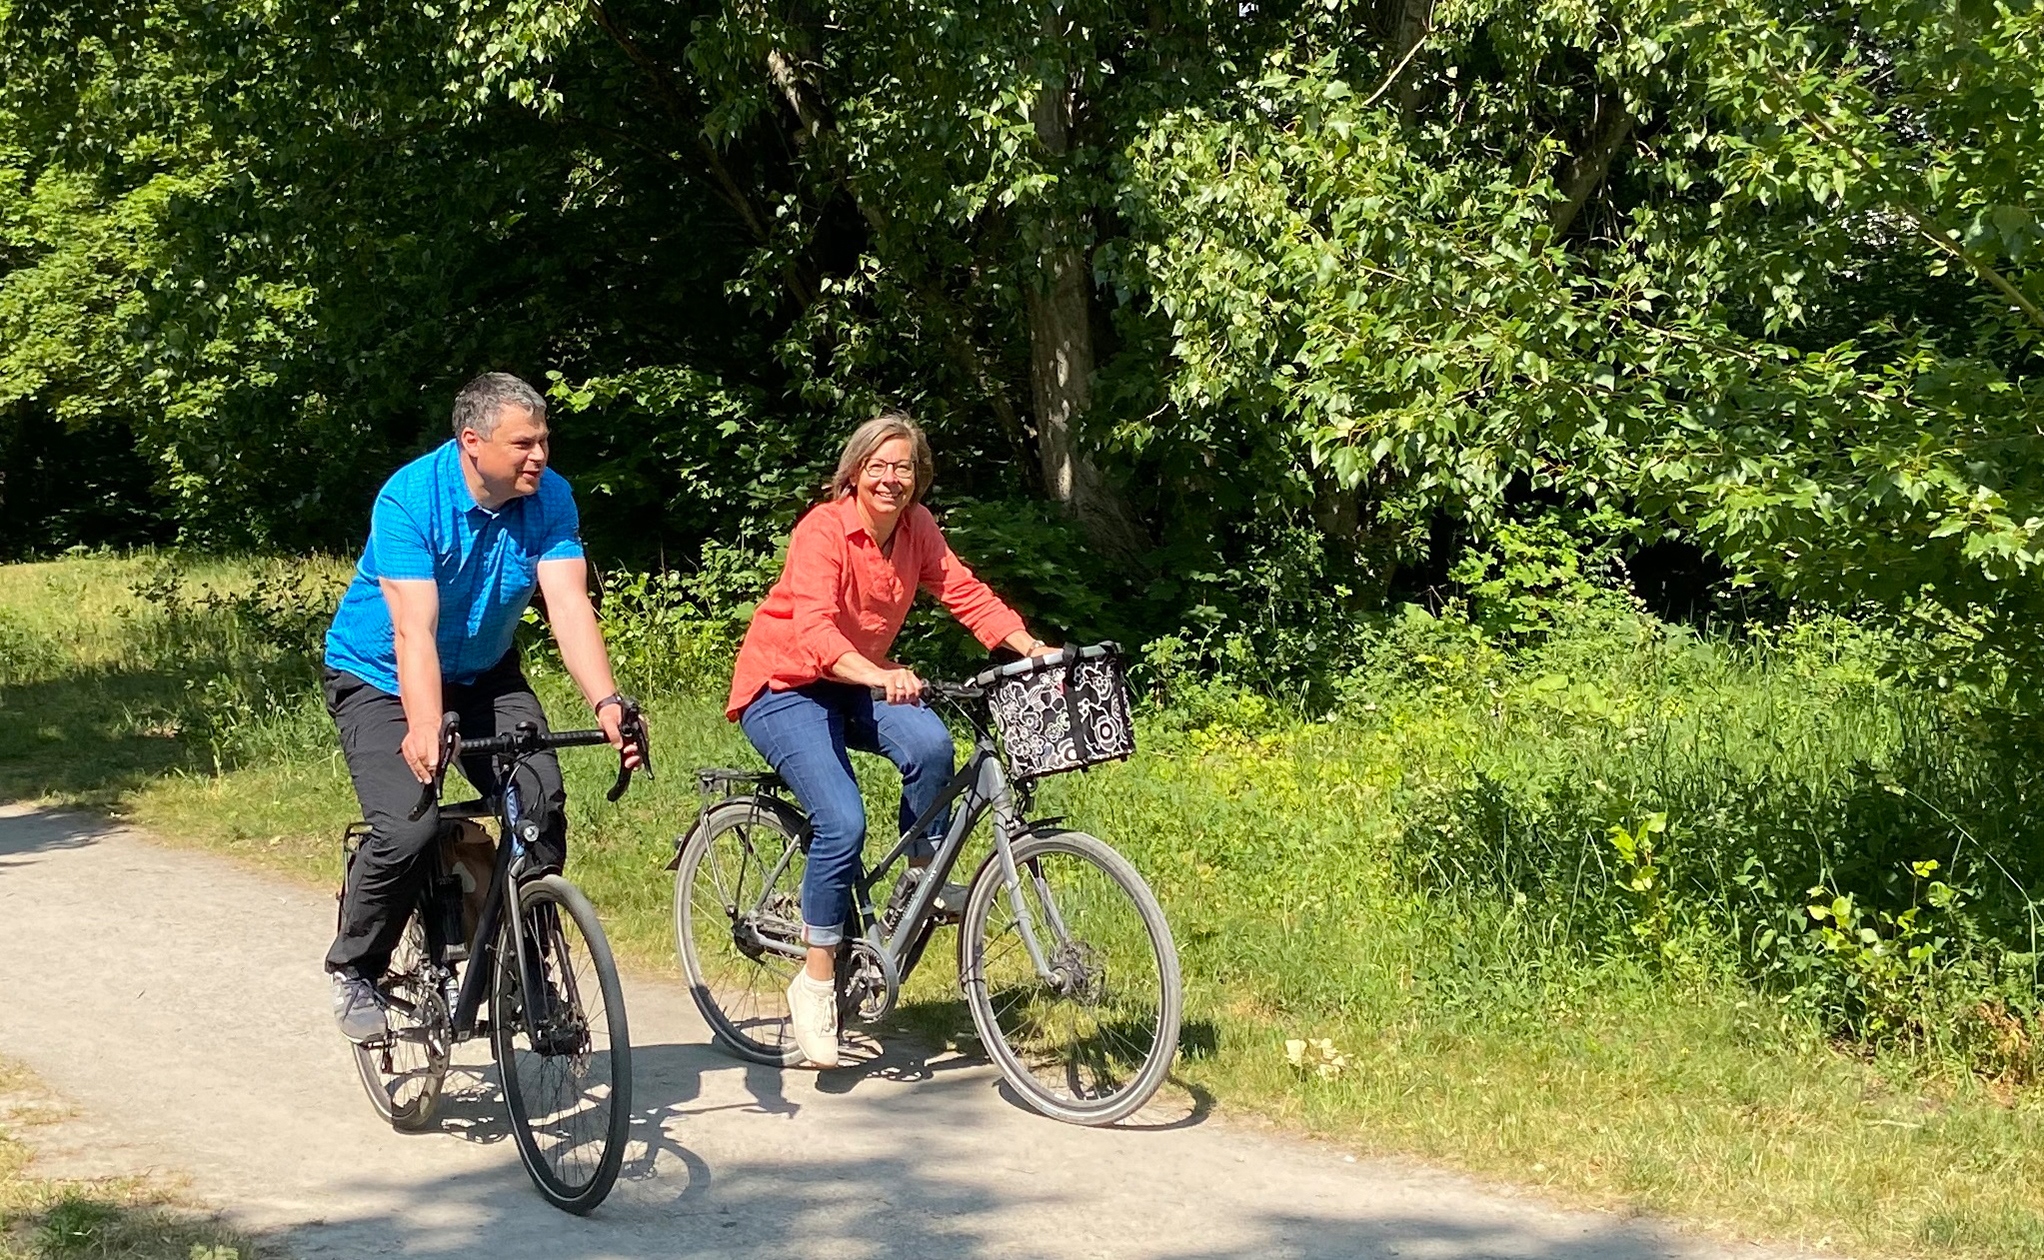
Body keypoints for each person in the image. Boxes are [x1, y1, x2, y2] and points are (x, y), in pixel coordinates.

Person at [726, 409, 1056, 1067]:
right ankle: (817, 982)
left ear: (918, 477)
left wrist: (1029, 647)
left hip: (851, 683)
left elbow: (965, 593)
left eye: (904, 467)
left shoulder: (918, 530)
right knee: (842, 821)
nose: (892, 479)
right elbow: (817, 633)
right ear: (855, 473)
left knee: (931, 744)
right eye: (879, 466)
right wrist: (879, 674)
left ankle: (917, 878)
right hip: (783, 687)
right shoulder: (822, 531)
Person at [322, 371, 644, 1043]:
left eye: (544, 441)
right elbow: (413, 626)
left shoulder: (549, 498)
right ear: (472, 442)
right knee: (409, 829)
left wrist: (606, 700)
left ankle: (522, 971)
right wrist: (420, 728)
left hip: (484, 676)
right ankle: (356, 967)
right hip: (381, 678)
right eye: (523, 443)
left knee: (539, 803)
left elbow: (567, 604)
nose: (540, 457)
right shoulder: (411, 499)